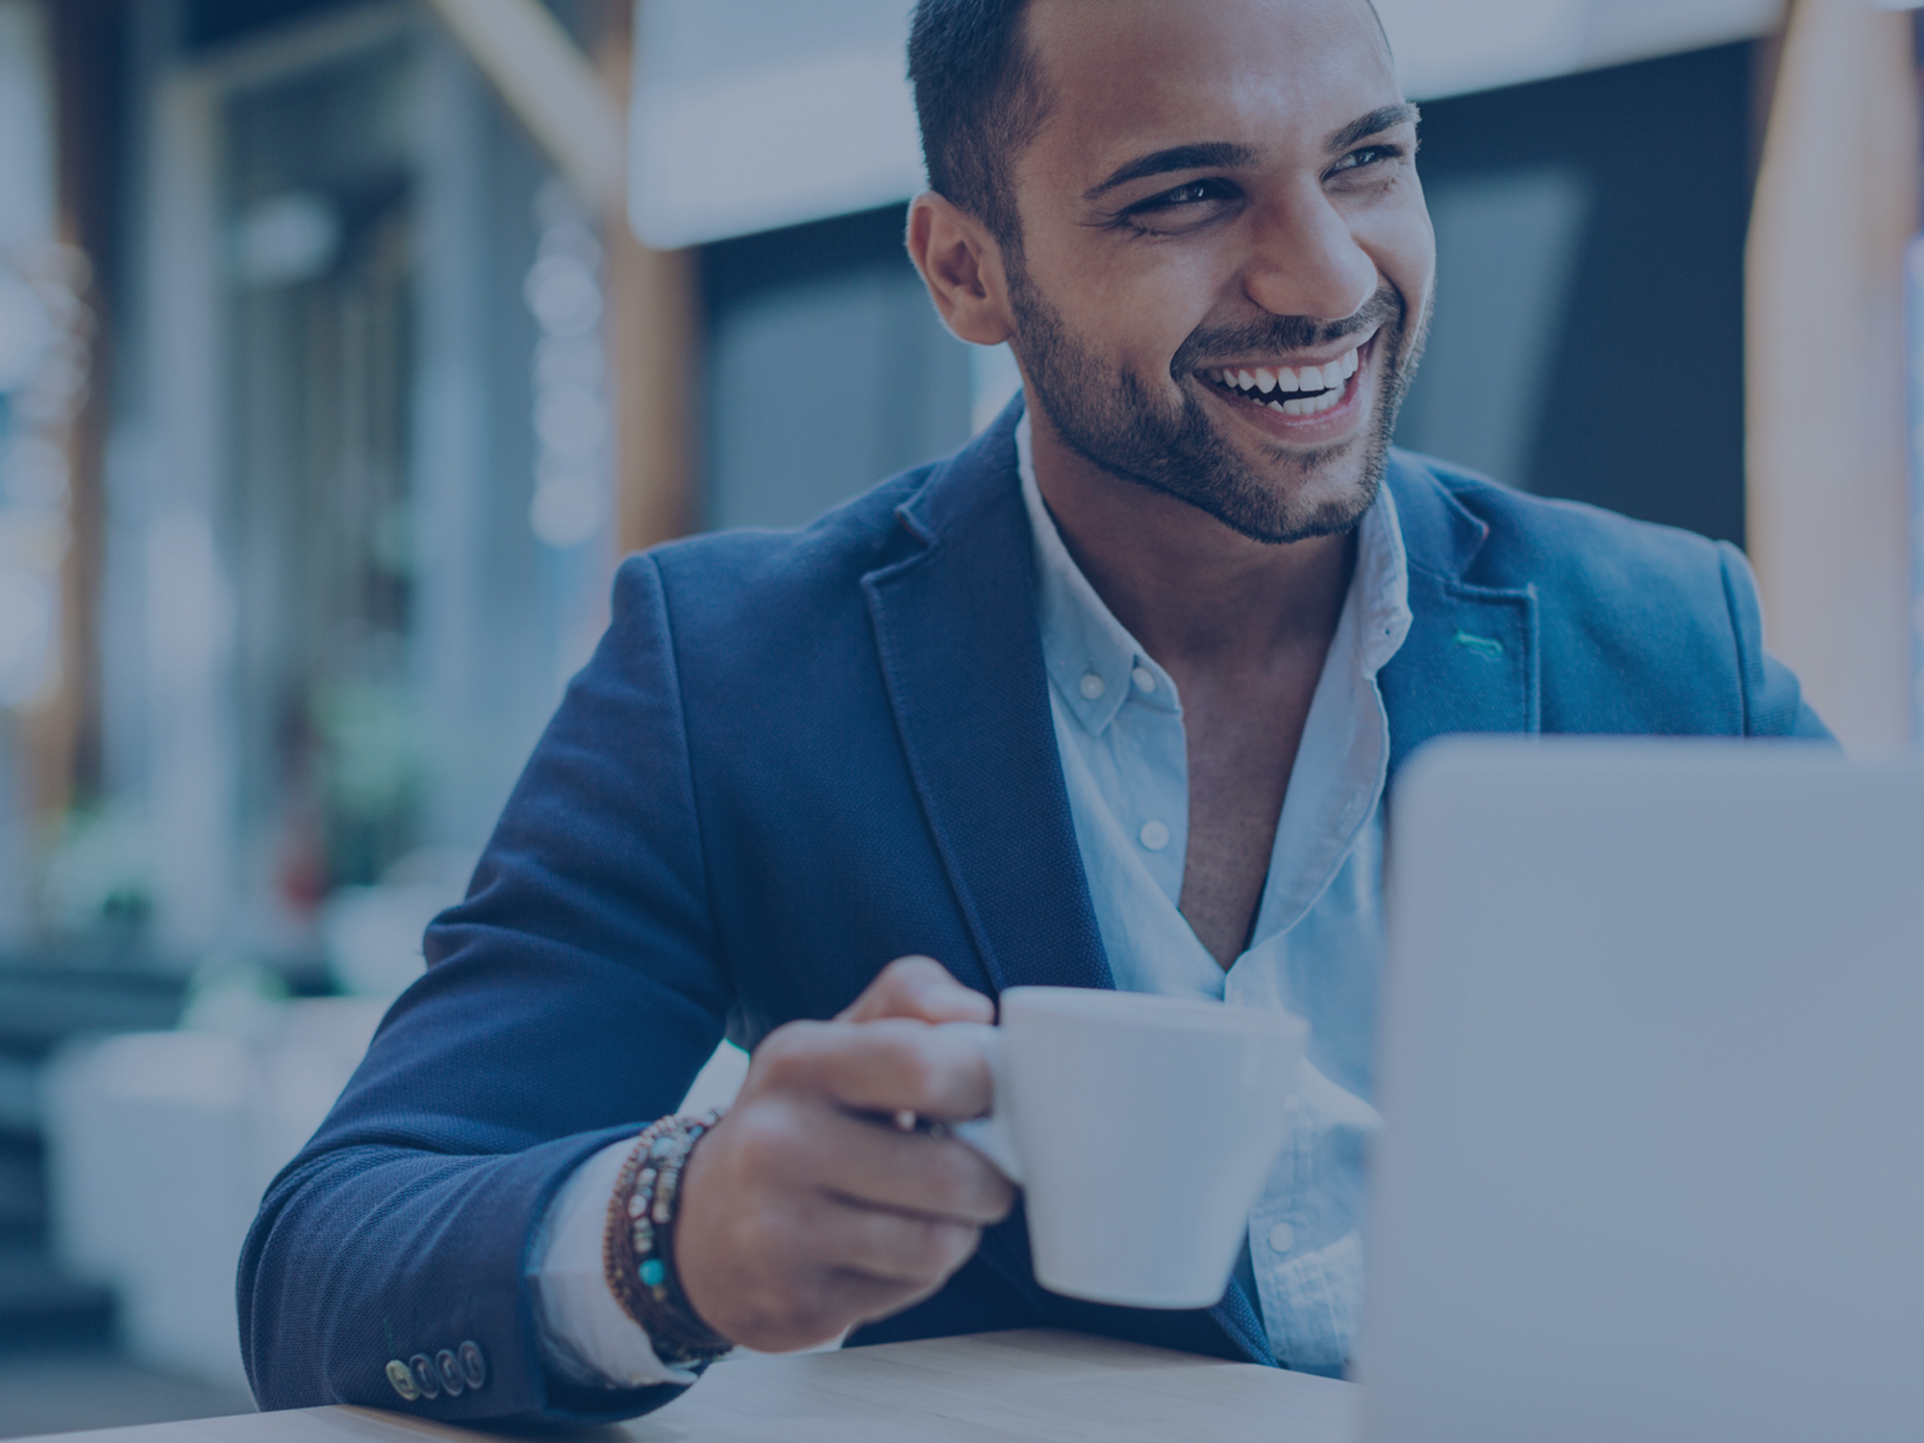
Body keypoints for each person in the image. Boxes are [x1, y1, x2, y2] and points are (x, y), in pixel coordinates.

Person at [237, 0, 1831, 1426]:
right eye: (1190, 193)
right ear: (966, 269)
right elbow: (328, 1266)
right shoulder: (733, 670)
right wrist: (678, 1235)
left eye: (1366, 160)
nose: (1329, 274)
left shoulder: (1670, 641)